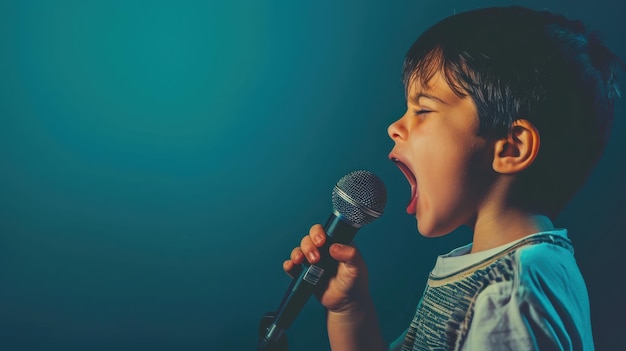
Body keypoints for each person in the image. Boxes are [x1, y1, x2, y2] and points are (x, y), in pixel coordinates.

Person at [282, 6, 621, 351]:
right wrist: (349, 312)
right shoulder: (490, 268)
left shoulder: (507, 295)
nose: (394, 127)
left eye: (423, 110)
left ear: (511, 148)